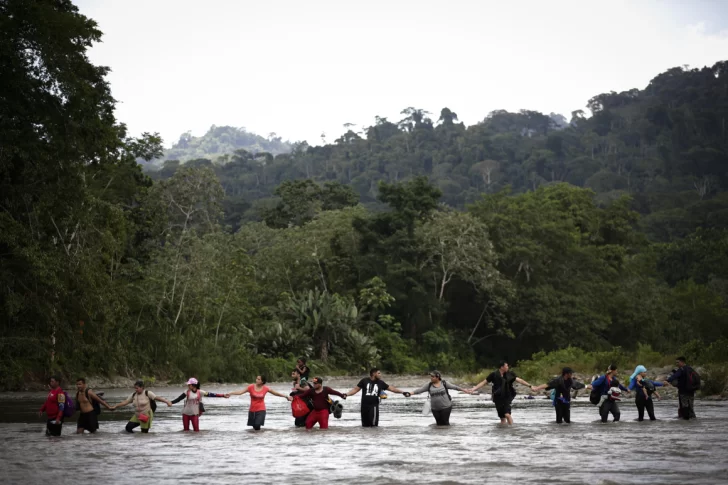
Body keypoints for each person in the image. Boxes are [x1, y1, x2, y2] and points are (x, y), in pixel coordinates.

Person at [469, 361, 534, 425]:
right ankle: (502, 432)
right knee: (502, 418)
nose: (508, 367)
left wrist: (530, 386)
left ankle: (512, 429)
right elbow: (484, 382)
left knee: (507, 414)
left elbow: (520, 380)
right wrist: (473, 389)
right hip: (497, 397)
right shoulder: (493, 374)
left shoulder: (510, 374)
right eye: (506, 366)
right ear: (502, 367)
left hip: (507, 396)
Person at [345, 368, 410, 427]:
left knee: (374, 427)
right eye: (378, 373)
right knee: (364, 426)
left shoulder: (380, 383)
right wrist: (346, 394)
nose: (380, 375)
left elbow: (392, 389)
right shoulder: (364, 381)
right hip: (364, 406)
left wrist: (402, 392)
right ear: (373, 373)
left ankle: (375, 438)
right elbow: (355, 390)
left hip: (373, 407)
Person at [226, 375, 292, 430]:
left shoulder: (265, 388)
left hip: (261, 410)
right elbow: (240, 392)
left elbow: (276, 393)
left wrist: (286, 396)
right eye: (257, 378)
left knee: (257, 425)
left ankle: (260, 442)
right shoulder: (250, 387)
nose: (256, 380)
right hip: (252, 410)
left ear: (262, 381)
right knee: (254, 428)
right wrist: (230, 393)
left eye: (258, 379)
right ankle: (256, 442)